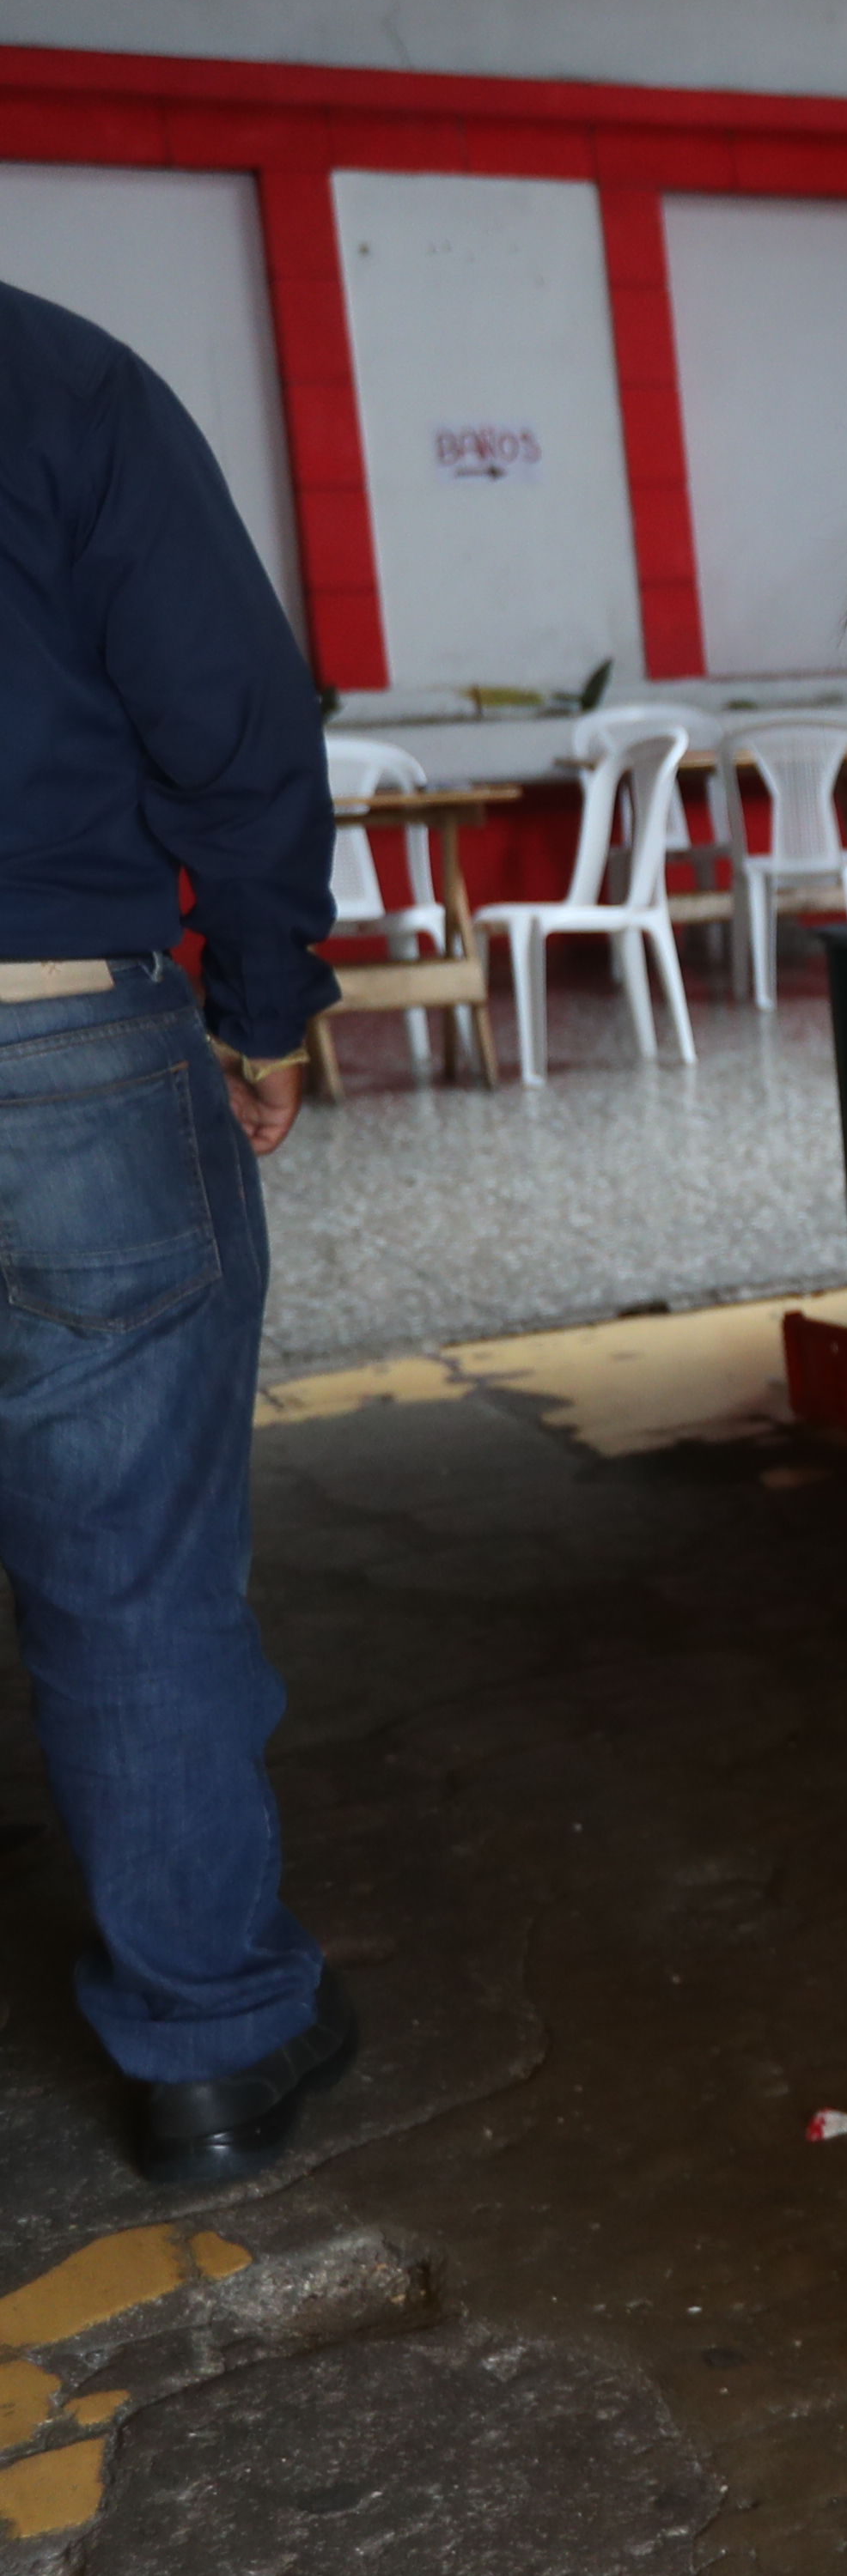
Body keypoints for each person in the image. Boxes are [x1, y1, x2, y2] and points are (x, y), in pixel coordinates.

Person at [0, 276, 354, 2185]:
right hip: (52, 1031)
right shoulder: (59, 382)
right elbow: (230, 710)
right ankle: (212, 2052)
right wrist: (264, 993)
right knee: (129, 1580)